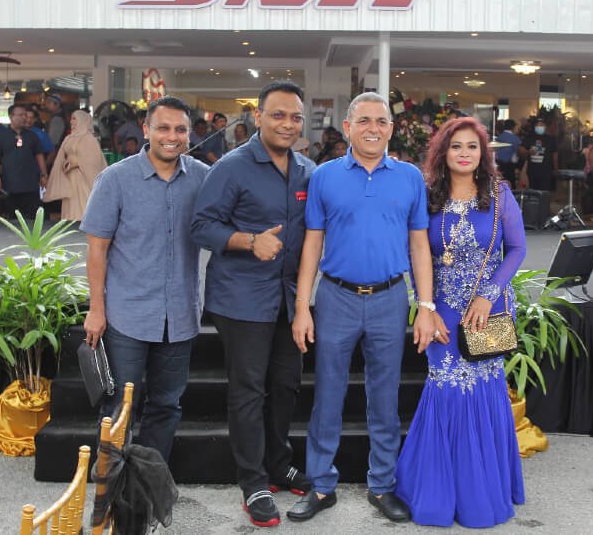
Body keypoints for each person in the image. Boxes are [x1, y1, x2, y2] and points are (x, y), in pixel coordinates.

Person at [288, 92, 438, 524]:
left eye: (382, 121)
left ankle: (382, 485)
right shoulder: (324, 177)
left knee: (385, 398)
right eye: (365, 121)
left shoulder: (409, 177)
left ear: (391, 128)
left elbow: (419, 245)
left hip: (390, 299)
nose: (374, 128)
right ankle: (321, 485)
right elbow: (312, 243)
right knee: (327, 395)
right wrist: (303, 306)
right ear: (348, 127)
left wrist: (425, 306)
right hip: (335, 298)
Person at [192, 82, 316, 527]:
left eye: (296, 117)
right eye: (278, 115)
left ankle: (279, 464)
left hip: (289, 299)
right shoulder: (232, 167)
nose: (288, 124)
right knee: (248, 391)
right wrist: (248, 241)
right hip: (241, 298)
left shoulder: (307, 170)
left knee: (286, 385)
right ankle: (253, 481)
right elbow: (200, 226)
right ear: (258, 117)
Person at [394, 116, 526, 528]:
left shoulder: (500, 194)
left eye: (472, 146)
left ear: (482, 153)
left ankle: (481, 494)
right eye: (456, 146)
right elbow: (416, 252)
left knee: (483, 391)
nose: (464, 153)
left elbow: (517, 249)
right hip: (442, 311)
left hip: (487, 311)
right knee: (447, 390)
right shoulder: (427, 196)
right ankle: (438, 493)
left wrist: (488, 294)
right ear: (443, 152)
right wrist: (425, 307)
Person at [81, 97, 209, 469]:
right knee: (119, 406)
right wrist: (96, 310)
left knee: (167, 405)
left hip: (180, 315)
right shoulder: (115, 180)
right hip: (127, 315)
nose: (172, 136)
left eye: (180, 129)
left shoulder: (202, 177)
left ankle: (148, 486)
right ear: (146, 130)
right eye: (163, 128)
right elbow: (97, 250)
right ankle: (110, 488)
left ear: (189, 133)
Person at [44, 109, 107, 222]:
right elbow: (62, 155)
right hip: (70, 178)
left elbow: (94, 161)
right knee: (71, 205)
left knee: (83, 202)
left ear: (82, 120)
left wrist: (77, 163)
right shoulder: (69, 138)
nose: (71, 122)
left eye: (74, 118)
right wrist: (63, 164)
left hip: (84, 178)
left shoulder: (89, 139)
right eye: (71, 118)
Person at [0, 104, 48, 219]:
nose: (24, 118)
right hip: (11, 184)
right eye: (21, 115)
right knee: (15, 218)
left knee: (34, 217)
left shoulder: (32, 135)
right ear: (11, 116)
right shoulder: (1, 136)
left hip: (30, 184)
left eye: (25, 115)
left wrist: (44, 174)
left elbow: (39, 156)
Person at [518, 118, 557, 191]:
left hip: (546, 170)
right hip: (532, 170)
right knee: (532, 191)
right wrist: (528, 152)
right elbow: (520, 149)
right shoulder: (529, 137)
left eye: (541, 125)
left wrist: (555, 168)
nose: (540, 127)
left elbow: (555, 154)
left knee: (545, 191)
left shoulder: (551, 139)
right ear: (535, 127)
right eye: (538, 125)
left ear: (545, 126)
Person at [493, 119, 521, 188]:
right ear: (513, 127)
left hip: (498, 164)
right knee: (510, 185)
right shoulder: (515, 138)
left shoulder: (499, 137)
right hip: (509, 166)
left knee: (499, 185)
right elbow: (516, 154)